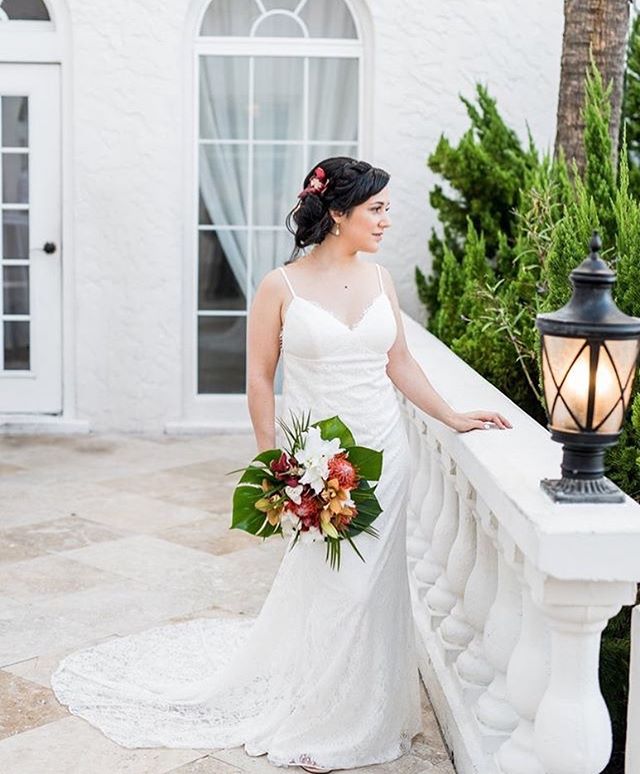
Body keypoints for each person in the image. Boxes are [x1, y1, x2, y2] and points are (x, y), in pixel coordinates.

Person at [50, 157, 511, 772]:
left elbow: (399, 363)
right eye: (375, 208)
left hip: (386, 454)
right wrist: (274, 463)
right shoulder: (281, 286)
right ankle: (319, 714)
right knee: (335, 585)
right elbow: (260, 380)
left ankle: (364, 713)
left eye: (385, 208)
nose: (386, 219)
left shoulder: (382, 281)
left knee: (374, 590)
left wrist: (453, 416)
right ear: (339, 214)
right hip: (320, 460)